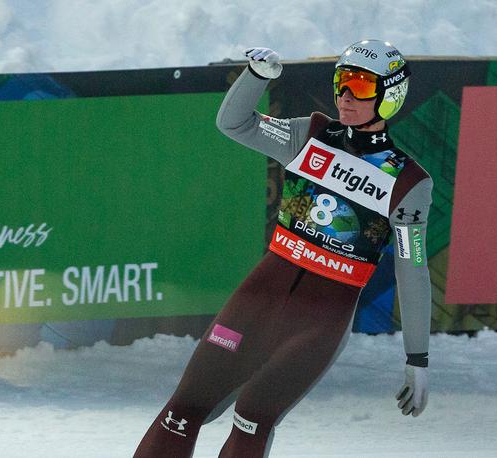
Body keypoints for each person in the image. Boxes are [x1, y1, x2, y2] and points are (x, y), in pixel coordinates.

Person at [134, 39, 432, 458]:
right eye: (342, 83)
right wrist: (256, 78)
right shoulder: (309, 134)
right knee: (184, 407)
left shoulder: (408, 182)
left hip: (320, 319)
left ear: (390, 97)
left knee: (252, 415)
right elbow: (234, 123)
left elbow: (412, 270)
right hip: (260, 296)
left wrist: (417, 358)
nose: (346, 96)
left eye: (362, 87)